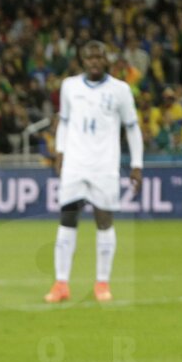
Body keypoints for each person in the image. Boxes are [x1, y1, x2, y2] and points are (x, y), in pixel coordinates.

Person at [45, 41, 143, 304]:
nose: (94, 61)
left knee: (104, 221)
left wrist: (137, 164)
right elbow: (64, 122)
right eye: (89, 57)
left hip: (105, 165)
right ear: (82, 60)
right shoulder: (69, 86)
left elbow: (132, 128)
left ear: (106, 59)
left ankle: (102, 283)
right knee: (67, 220)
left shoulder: (120, 90)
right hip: (75, 164)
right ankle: (61, 283)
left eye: (99, 57)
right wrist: (61, 152)